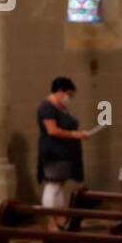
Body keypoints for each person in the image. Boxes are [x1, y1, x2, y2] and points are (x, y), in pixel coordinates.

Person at [37, 76, 89, 223]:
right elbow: (52, 130)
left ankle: (60, 218)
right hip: (54, 152)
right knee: (52, 185)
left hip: (64, 152)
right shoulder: (47, 108)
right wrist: (74, 134)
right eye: (69, 95)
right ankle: (51, 219)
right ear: (60, 91)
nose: (69, 98)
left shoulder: (60, 108)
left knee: (59, 185)